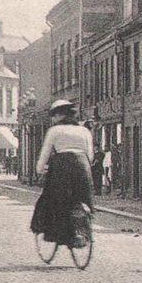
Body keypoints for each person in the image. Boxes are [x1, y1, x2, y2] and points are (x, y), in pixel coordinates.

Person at [31, 100, 95, 246]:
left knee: (53, 198)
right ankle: (84, 226)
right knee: (82, 196)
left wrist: (39, 170)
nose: (53, 119)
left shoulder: (54, 131)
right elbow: (90, 155)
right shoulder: (84, 131)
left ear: (60, 115)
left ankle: (58, 233)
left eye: (54, 115)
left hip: (62, 167)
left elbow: (45, 154)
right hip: (83, 166)